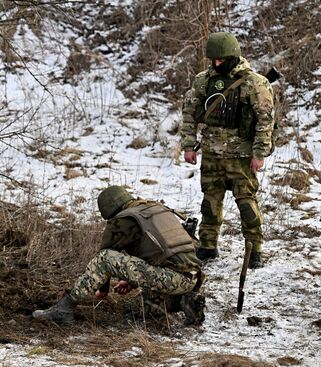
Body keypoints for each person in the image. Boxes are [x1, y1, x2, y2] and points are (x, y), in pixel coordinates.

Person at [32, 186, 205, 326]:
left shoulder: (124, 219)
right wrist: (132, 280)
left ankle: (64, 309)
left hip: (171, 277)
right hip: (191, 278)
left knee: (106, 258)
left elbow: (104, 257)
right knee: (139, 309)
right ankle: (184, 300)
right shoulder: (156, 209)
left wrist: (104, 287)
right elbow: (166, 251)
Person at [180, 32, 275, 269]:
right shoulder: (203, 80)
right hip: (212, 153)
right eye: (213, 60)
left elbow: (266, 120)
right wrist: (188, 145)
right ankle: (208, 246)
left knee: (246, 202)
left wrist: (259, 153)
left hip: (241, 156)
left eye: (221, 60)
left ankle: (254, 250)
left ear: (232, 57)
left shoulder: (254, 82)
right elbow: (189, 113)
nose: (216, 64)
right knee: (210, 201)